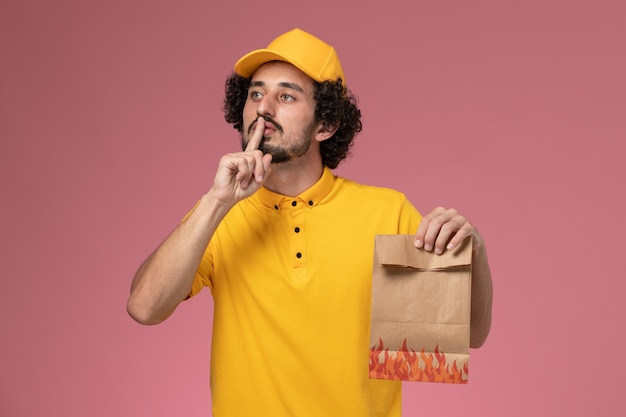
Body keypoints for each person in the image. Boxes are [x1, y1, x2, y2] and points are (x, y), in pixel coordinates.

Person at [127, 28, 493, 417]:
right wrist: (216, 201)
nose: (263, 107)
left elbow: (470, 334)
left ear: (326, 125)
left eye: (286, 96)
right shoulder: (218, 215)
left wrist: (476, 254)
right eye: (255, 93)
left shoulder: (388, 212)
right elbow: (143, 308)